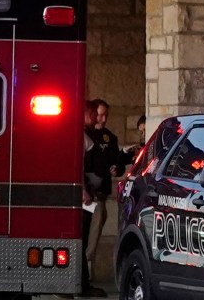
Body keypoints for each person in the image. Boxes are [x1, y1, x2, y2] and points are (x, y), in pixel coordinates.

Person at [83, 99, 129, 293]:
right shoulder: (84, 135)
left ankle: (85, 277)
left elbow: (115, 165)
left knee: (93, 232)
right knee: (86, 236)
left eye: (104, 115)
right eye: (98, 115)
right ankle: (83, 276)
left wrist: (116, 166)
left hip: (99, 194)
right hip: (87, 196)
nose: (101, 119)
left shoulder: (110, 138)